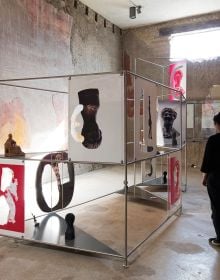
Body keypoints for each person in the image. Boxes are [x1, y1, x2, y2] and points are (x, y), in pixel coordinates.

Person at [201, 112, 220, 246]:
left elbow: (207, 163)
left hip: (217, 179)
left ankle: (219, 239)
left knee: (217, 208)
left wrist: (205, 178)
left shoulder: (213, 140)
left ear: (217, 124)